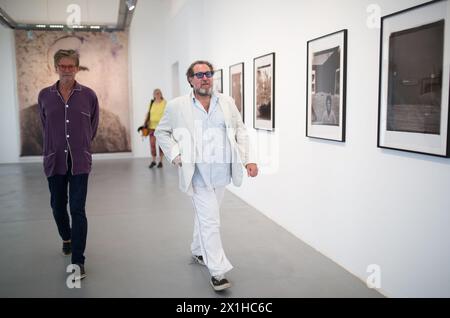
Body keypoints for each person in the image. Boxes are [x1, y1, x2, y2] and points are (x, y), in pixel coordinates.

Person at [155, 60, 258, 291]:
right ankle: (218, 272)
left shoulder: (227, 102)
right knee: (211, 221)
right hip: (197, 174)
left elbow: (240, 129)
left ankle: (198, 250)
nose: (205, 78)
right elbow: (161, 132)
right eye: (199, 74)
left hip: (222, 173)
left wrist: (248, 159)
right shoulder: (177, 106)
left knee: (206, 216)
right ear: (190, 80)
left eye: (208, 73)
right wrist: (176, 155)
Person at [38, 49, 99, 281]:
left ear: (76, 67)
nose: (66, 69)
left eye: (70, 66)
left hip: (79, 161)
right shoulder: (44, 95)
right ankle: (66, 237)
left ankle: (78, 261)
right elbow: (45, 127)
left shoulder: (89, 95)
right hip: (54, 159)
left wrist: (80, 145)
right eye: (62, 66)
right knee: (57, 205)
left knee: (77, 209)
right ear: (56, 67)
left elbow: (93, 126)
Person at [142, 89, 166, 168]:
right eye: (155, 93)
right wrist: (144, 123)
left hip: (161, 128)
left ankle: (161, 161)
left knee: (161, 145)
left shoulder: (164, 103)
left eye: (158, 93)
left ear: (161, 94)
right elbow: (148, 113)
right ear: (153, 95)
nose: (157, 95)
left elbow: (167, 114)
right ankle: (153, 160)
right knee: (152, 144)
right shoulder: (152, 102)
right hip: (151, 127)